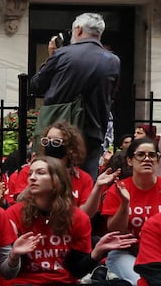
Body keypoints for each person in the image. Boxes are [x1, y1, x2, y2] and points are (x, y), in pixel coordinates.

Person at [4, 157, 134, 286]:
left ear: (57, 181)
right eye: (30, 173)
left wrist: (97, 252)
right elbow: (6, 272)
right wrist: (15, 254)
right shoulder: (13, 214)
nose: (32, 178)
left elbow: (76, 270)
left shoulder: (77, 217)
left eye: (40, 173)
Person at [29, 13, 119, 177]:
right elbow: (111, 96)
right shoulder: (113, 61)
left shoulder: (62, 54)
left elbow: (36, 85)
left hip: (57, 132)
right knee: (86, 179)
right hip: (93, 132)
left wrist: (51, 56)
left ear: (78, 30)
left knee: (51, 177)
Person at [97, 136, 161, 283]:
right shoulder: (118, 189)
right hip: (125, 253)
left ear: (158, 160)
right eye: (140, 155)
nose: (147, 159)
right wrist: (125, 203)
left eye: (152, 155)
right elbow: (114, 230)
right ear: (129, 161)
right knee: (141, 284)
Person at [5, 121, 96, 207]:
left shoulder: (83, 178)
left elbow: (85, 214)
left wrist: (98, 187)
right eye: (46, 141)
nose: (49, 144)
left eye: (56, 142)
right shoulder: (30, 172)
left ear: (71, 147)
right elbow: (20, 204)